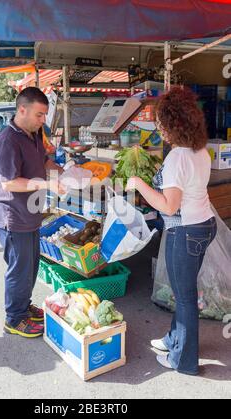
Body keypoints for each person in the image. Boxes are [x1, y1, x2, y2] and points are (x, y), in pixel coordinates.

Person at [126, 87, 217, 375]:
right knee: (185, 292)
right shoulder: (200, 150)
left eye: (161, 123)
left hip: (186, 232)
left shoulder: (177, 157)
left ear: (174, 124)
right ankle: (175, 339)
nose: (159, 129)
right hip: (204, 225)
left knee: (185, 297)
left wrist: (139, 184)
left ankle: (184, 361)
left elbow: (168, 206)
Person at [0, 87, 65, 338]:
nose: (43, 120)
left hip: (31, 214)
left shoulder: (34, 133)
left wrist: (63, 172)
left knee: (30, 267)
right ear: (22, 110)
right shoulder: (7, 140)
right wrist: (47, 184)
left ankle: (23, 306)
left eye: (45, 115)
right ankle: (14, 318)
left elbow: (43, 162)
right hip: (13, 217)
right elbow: (9, 183)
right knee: (19, 270)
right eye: (39, 114)